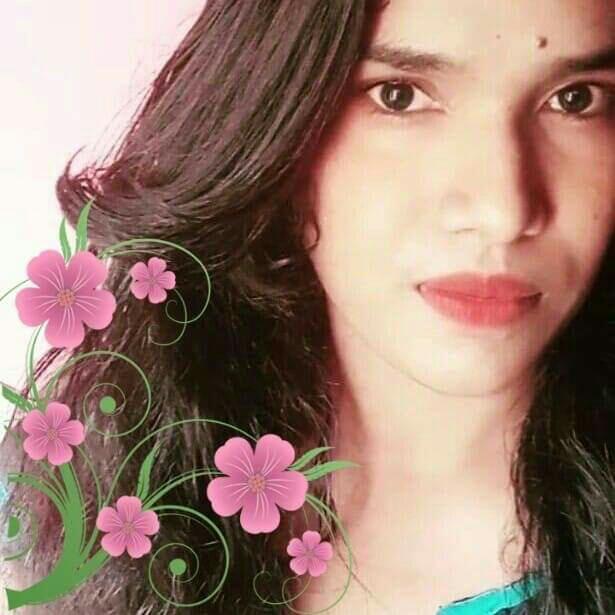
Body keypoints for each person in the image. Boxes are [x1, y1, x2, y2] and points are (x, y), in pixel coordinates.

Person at [1, 0, 615, 613]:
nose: (503, 212)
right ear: (278, 123)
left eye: (576, 100)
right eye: (399, 97)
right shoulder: (57, 506)